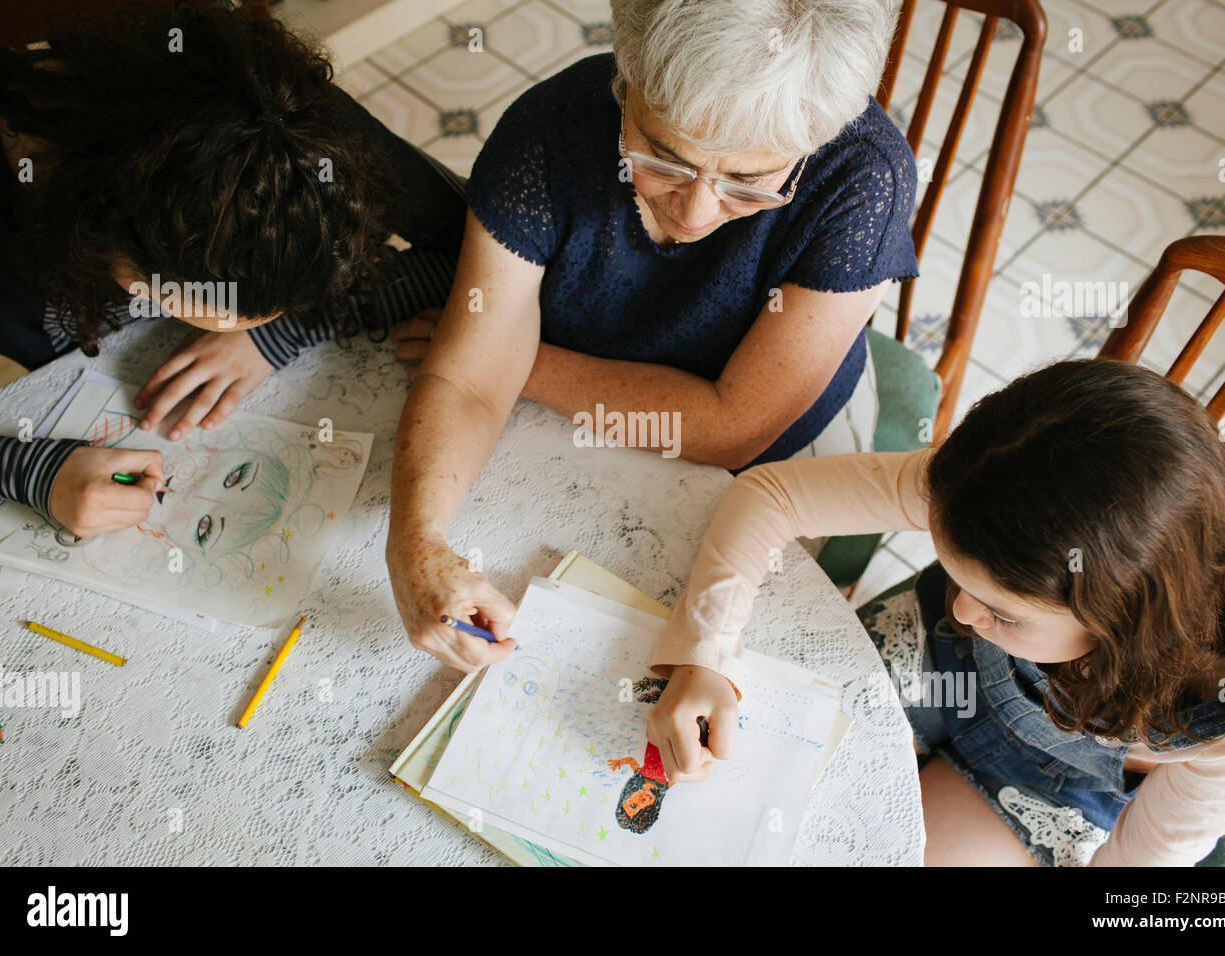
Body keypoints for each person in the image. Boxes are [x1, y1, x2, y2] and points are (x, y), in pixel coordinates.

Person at [386, 0, 917, 672]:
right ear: (627, 80)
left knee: (703, 652)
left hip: (776, 455)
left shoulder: (866, 176)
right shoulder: (550, 133)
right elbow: (464, 382)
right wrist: (416, 541)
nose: (695, 210)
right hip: (584, 401)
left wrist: (511, 357)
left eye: (747, 185)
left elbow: (734, 426)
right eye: (663, 159)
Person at [645, 358, 1225, 865]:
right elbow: (774, 494)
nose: (966, 611)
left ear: (1124, 620)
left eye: (1005, 613)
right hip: (930, 660)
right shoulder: (996, 483)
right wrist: (707, 652)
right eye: (955, 572)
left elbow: (1142, 863)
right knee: (729, 798)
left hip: (1049, 786)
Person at [0, 3, 463, 538]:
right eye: (177, 301)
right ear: (93, 222)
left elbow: (487, 258)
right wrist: (26, 472)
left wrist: (274, 338)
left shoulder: (277, 115)